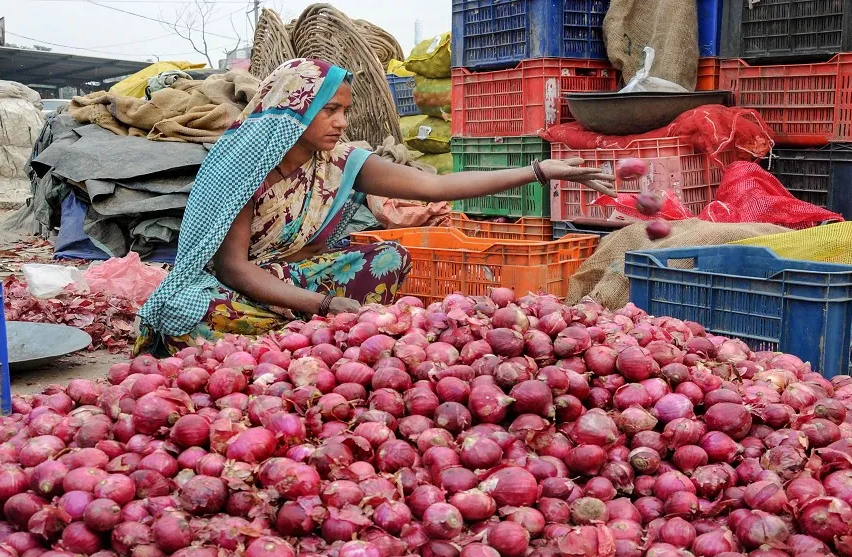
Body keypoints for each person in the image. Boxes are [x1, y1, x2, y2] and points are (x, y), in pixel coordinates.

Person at [135, 58, 616, 355]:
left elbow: (437, 187)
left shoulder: (340, 161)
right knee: (189, 310)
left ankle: (303, 331)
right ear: (294, 109)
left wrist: (538, 171)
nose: (341, 122)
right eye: (329, 110)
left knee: (389, 256)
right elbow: (235, 270)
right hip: (229, 287)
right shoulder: (245, 161)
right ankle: (310, 327)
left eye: (344, 110)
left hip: (285, 281)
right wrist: (323, 304)